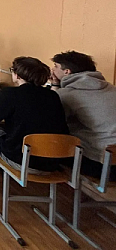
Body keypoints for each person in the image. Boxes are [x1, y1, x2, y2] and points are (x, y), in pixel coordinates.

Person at [0, 57, 69, 188]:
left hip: (22, 161)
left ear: (17, 75)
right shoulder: (53, 96)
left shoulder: (11, 94)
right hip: (53, 162)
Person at [50, 51, 116, 180]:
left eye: (56, 66)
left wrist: (55, 87)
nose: (52, 69)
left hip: (103, 165)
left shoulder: (68, 94)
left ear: (67, 72)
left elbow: (53, 118)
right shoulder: (112, 88)